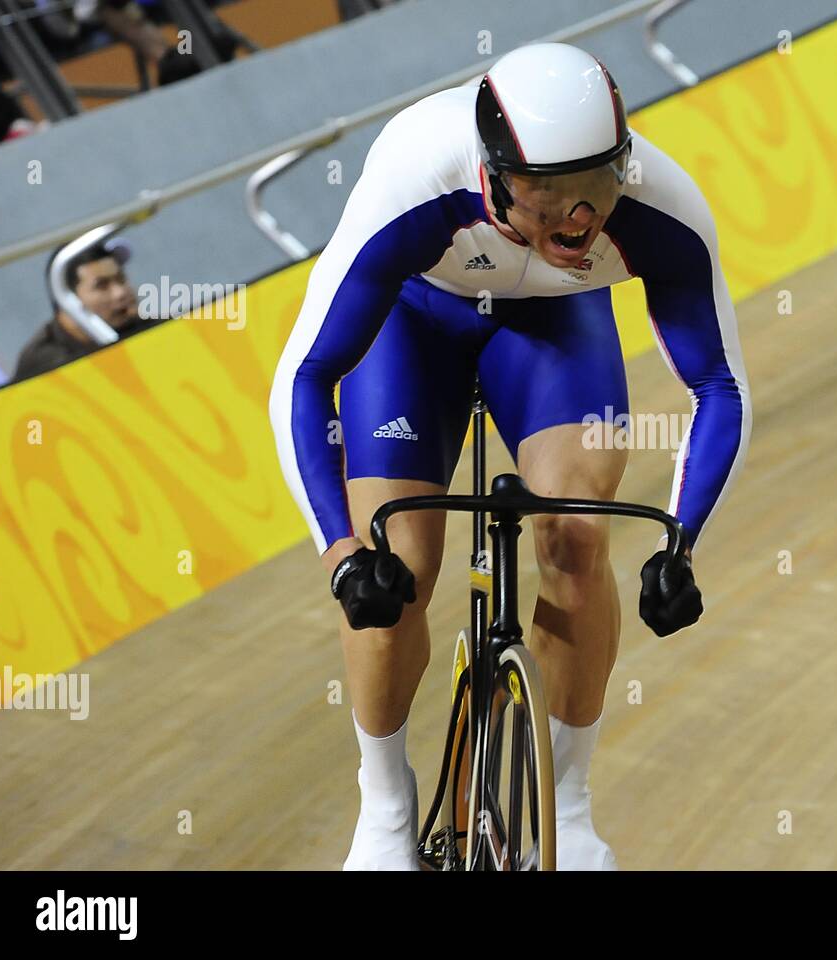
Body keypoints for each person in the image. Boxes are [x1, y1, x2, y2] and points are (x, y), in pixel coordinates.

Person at [269, 42, 751, 871]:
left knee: (576, 537)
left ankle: (566, 801)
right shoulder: (417, 177)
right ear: (492, 177)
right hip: (416, 324)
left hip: (554, 330)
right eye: (548, 196)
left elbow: (720, 385)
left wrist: (683, 543)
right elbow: (306, 376)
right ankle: (384, 810)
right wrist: (344, 554)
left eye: (595, 191)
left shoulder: (661, 204)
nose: (576, 220)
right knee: (399, 568)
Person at [14, 241, 159, 381]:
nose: (120, 292)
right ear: (68, 300)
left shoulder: (146, 326)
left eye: (121, 279)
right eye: (102, 285)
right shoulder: (46, 364)